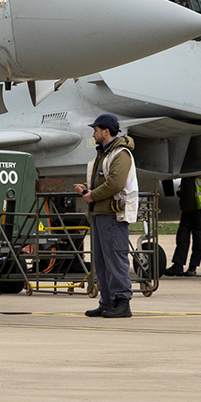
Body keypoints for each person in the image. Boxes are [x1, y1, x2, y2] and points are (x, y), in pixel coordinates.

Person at [73, 113, 136, 319]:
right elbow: (104, 182)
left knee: (115, 258)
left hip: (113, 214)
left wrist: (91, 196)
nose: (93, 134)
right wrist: (87, 190)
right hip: (100, 213)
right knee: (101, 261)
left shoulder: (121, 154)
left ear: (105, 131)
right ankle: (107, 301)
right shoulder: (104, 154)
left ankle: (122, 301)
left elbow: (116, 183)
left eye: (95, 130)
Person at [165, 174, 201, 276]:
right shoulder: (186, 174)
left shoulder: (199, 169)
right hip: (187, 208)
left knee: (198, 239)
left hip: (200, 207)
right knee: (182, 237)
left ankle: (192, 267)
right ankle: (178, 265)